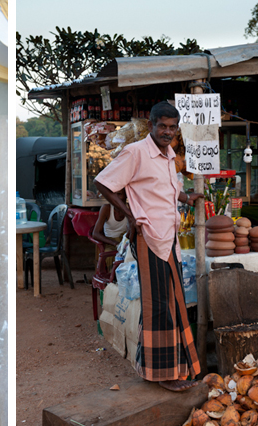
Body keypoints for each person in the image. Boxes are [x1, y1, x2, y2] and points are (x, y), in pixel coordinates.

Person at [94, 101, 204, 392]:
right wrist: (130, 214)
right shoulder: (136, 152)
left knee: (173, 301)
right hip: (149, 237)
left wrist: (185, 198)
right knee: (157, 305)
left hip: (168, 238)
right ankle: (162, 374)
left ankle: (172, 367)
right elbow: (103, 182)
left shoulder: (168, 155)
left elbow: (161, 189)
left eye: (172, 128)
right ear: (151, 125)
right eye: (162, 126)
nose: (167, 132)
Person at [92, 189, 129, 268]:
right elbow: (95, 233)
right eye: (114, 194)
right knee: (110, 255)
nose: (115, 197)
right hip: (110, 243)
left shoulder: (129, 209)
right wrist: (115, 243)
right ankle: (112, 278)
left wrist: (125, 244)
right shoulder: (107, 208)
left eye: (119, 194)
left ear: (126, 195)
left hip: (125, 242)